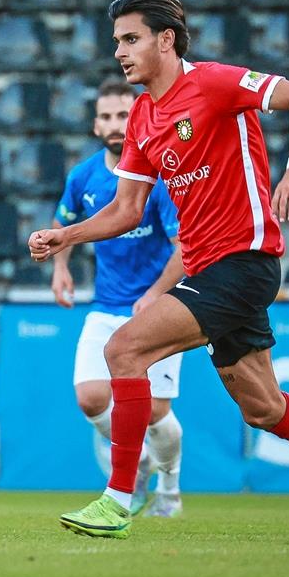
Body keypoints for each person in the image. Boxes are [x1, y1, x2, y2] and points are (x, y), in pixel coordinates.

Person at [28, 0, 289, 540]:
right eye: (116, 41)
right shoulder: (141, 117)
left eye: (130, 39)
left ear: (166, 38)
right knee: (264, 408)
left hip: (244, 261)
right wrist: (67, 236)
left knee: (124, 348)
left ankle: (116, 500)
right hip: (208, 270)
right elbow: (126, 208)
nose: (120, 52)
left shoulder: (213, 82)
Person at [51, 79, 185, 518]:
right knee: (90, 397)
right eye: (106, 116)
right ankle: (140, 459)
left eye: (123, 115)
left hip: (158, 309)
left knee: (155, 411)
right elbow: (64, 222)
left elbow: (185, 246)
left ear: (137, 119)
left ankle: (169, 487)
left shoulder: (158, 179)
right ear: (95, 125)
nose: (115, 124)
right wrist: (60, 267)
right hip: (106, 306)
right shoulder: (83, 176)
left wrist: (155, 294)